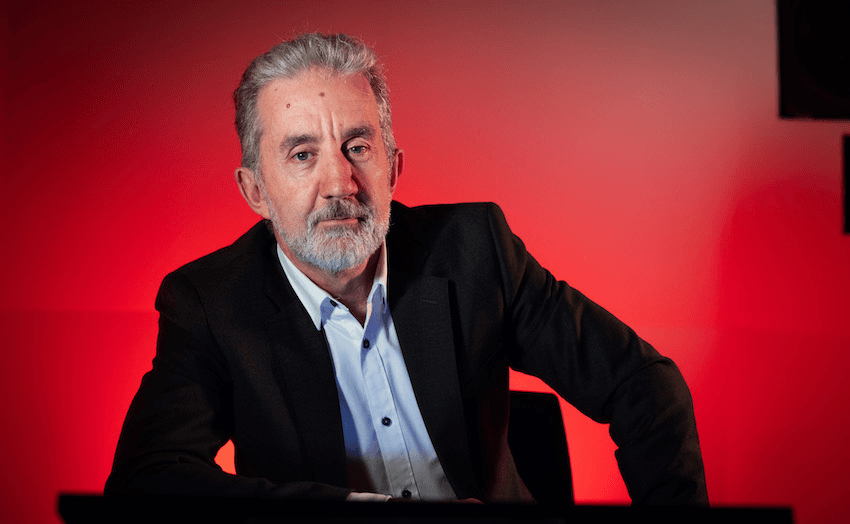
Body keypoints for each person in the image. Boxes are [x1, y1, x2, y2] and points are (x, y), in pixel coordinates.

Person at [105, 33, 707, 505]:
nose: (340, 183)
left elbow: (641, 382)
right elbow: (146, 478)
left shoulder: (476, 250)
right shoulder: (210, 304)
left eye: (358, 147)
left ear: (393, 168)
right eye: (303, 154)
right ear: (255, 191)